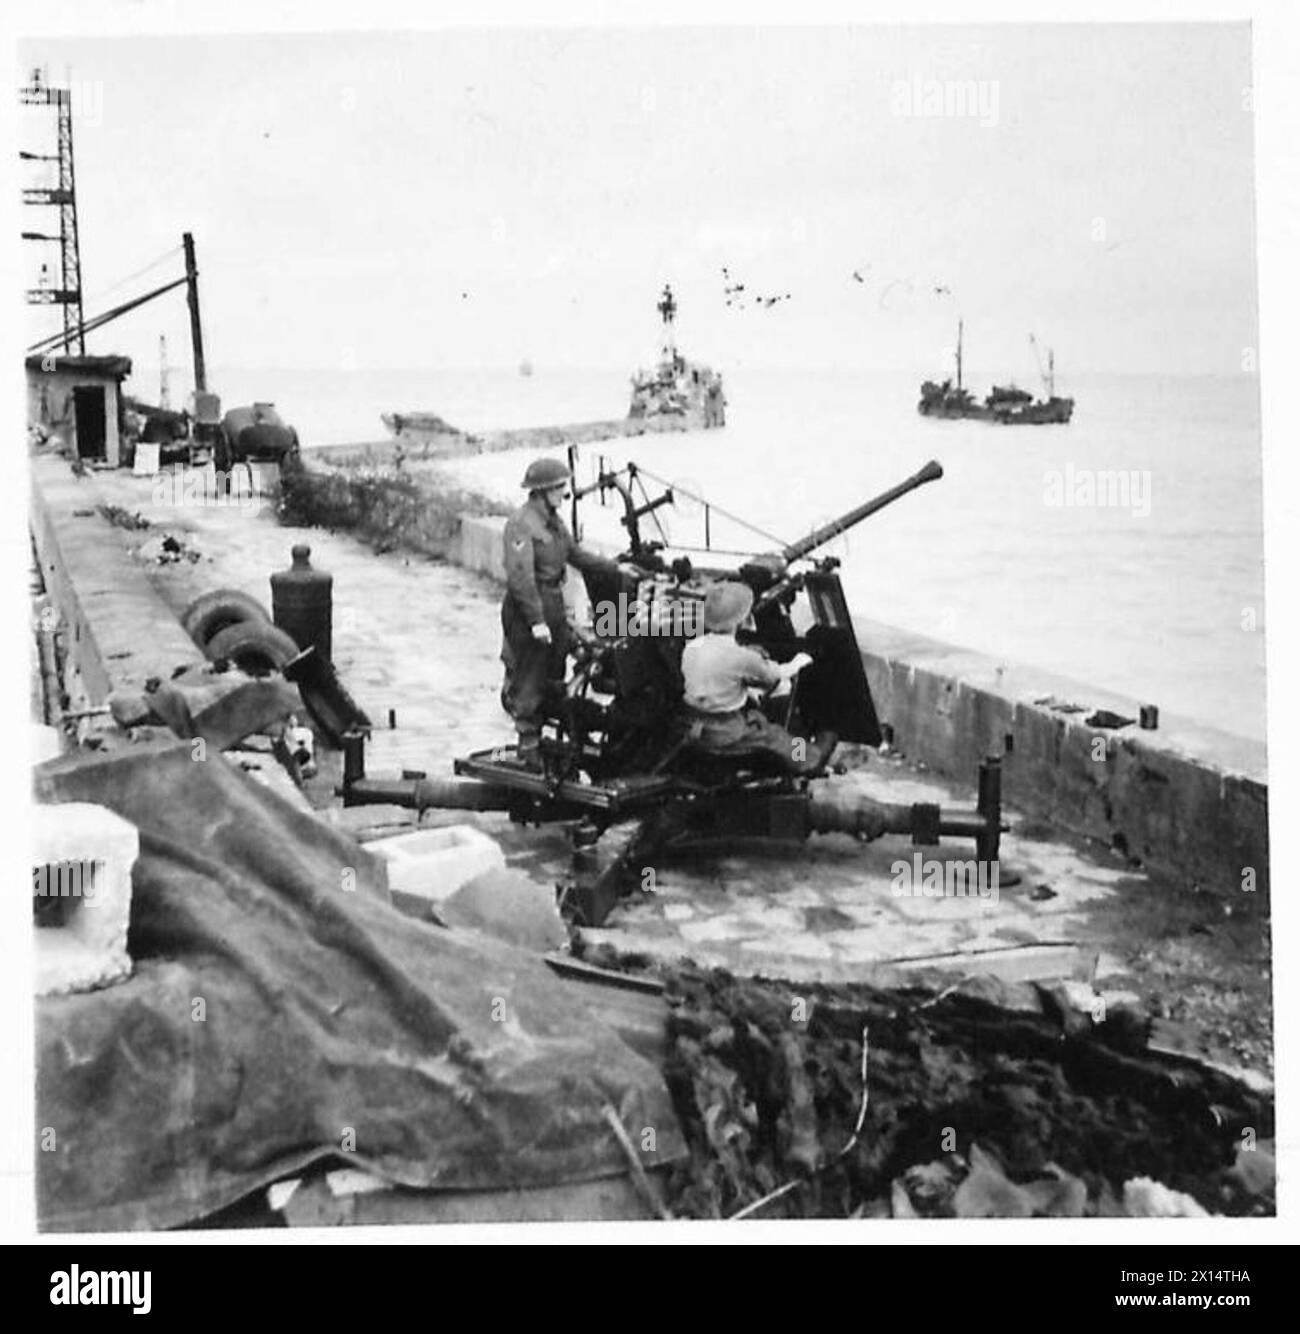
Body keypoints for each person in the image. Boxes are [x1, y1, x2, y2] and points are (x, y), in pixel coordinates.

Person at [500, 457, 621, 769]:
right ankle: (528, 747)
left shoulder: (554, 522)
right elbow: (520, 576)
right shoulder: (521, 524)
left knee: (556, 671)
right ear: (541, 491)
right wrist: (536, 621)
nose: (563, 494)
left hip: (553, 602)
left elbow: (576, 555)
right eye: (558, 488)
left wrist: (616, 568)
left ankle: (554, 738)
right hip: (528, 608)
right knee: (531, 674)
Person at [680, 581, 837, 776]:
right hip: (728, 731)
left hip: (695, 723)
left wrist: (747, 655)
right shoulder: (741, 658)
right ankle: (809, 759)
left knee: (758, 716)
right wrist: (799, 661)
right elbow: (775, 677)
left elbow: (720, 664)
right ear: (741, 620)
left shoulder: (693, 646)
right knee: (778, 738)